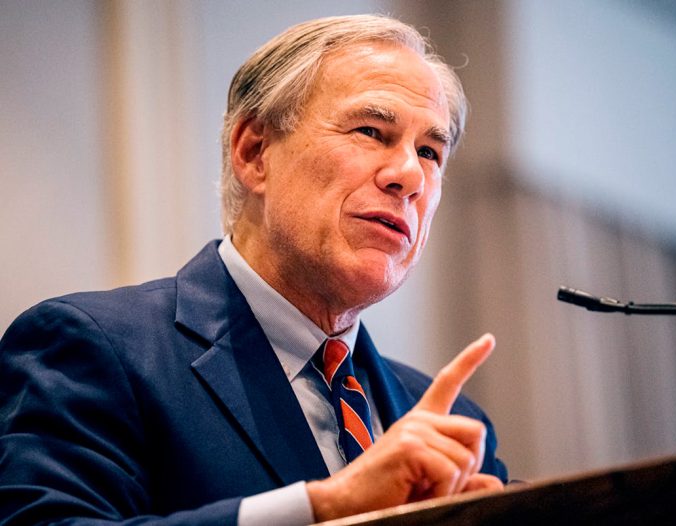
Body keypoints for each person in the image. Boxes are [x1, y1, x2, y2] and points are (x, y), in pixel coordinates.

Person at [0, 14, 508, 525]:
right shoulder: (92, 350)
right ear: (254, 152)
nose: (410, 176)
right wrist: (324, 508)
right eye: (371, 131)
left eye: (429, 152)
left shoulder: (456, 427)